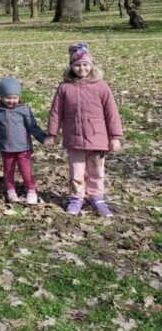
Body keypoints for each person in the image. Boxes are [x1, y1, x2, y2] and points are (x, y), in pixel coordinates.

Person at [46, 43, 123, 217]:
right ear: (71, 67)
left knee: (96, 170)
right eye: (77, 65)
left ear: (91, 65)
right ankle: (76, 198)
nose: (82, 68)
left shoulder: (101, 86)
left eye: (85, 64)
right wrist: (52, 133)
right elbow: (56, 112)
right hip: (74, 138)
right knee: (76, 171)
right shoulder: (65, 87)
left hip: (97, 138)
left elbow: (111, 112)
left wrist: (115, 137)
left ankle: (97, 197)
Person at [0, 77, 47, 205]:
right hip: (6, 147)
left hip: (23, 147)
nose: (11, 101)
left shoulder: (24, 109)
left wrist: (42, 138)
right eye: (7, 98)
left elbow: (32, 126)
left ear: (19, 97)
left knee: (25, 169)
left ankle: (31, 190)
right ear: (1, 96)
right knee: (8, 169)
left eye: (14, 98)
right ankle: (10, 190)